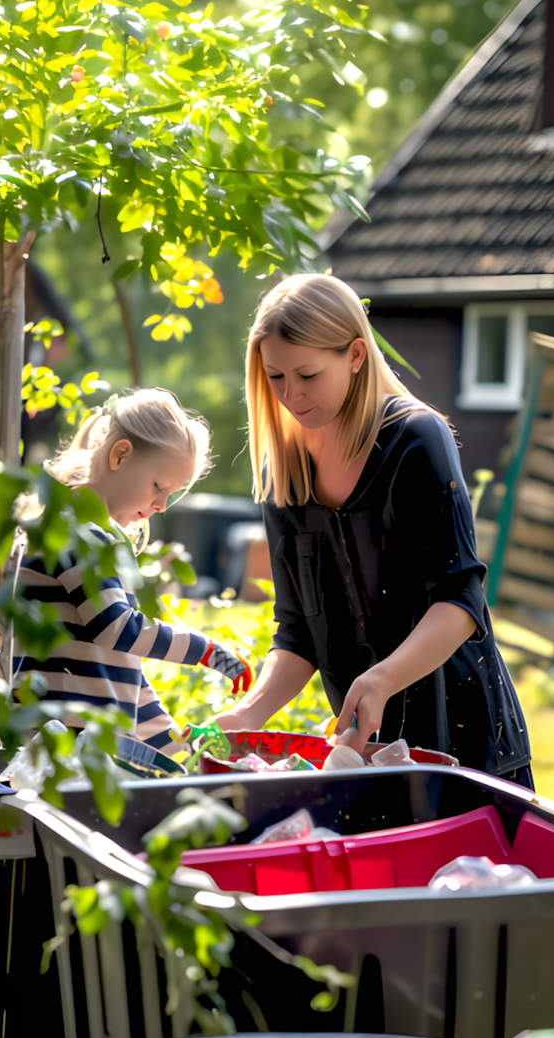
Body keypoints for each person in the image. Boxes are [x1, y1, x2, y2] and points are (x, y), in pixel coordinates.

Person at [217, 273, 533, 785]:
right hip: (366, 760)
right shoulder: (284, 474)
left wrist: (384, 678)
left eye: (308, 374)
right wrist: (247, 715)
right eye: (275, 377)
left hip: (469, 751)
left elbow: (461, 601)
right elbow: (298, 632)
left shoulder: (416, 440)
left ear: (356, 355)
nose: (291, 395)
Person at [14, 389, 251, 758]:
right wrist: (204, 649)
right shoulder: (78, 534)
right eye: (159, 487)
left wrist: (177, 748)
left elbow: (123, 672)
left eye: (171, 494)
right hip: (57, 741)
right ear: (120, 454)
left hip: (83, 743)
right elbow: (118, 629)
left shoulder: (92, 534)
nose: (161, 505)